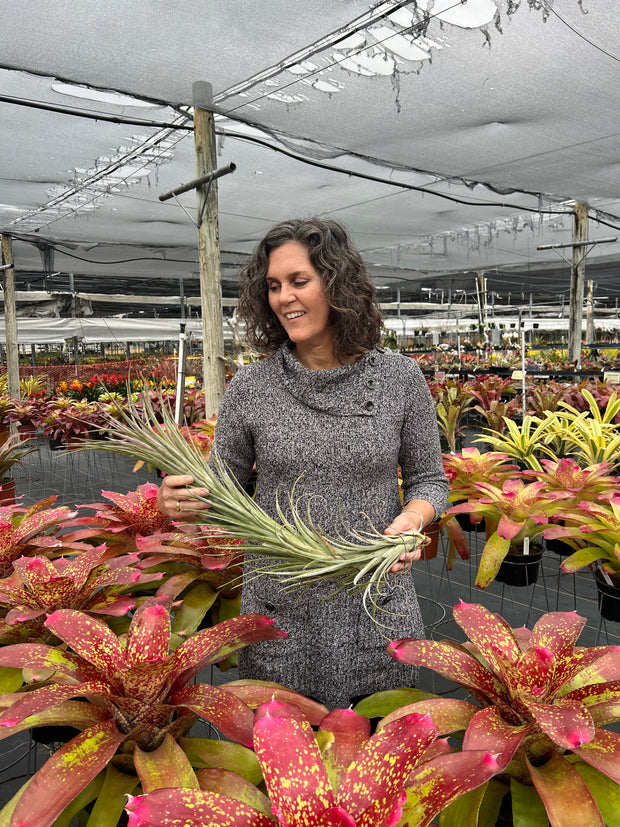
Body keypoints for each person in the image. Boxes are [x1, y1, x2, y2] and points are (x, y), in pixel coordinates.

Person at [157, 217, 449, 709]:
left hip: (372, 594)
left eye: (299, 281)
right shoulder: (252, 387)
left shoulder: (399, 378)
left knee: (380, 755)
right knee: (285, 760)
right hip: (283, 601)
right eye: (273, 286)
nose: (284, 298)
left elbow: (429, 480)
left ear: (337, 284)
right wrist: (180, 500)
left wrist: (410, 522)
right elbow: (218, 489)